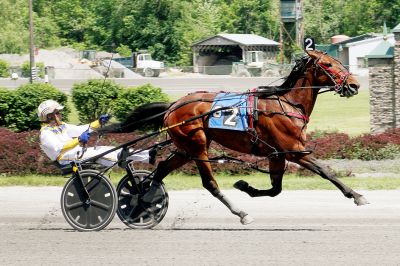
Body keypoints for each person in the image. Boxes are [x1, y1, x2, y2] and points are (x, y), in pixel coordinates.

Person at [38, 99, 154, 168]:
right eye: (57, 112)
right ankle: (121, 161)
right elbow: (59, 149)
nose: (60, 114)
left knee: (113, 149)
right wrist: (78, 140)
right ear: (49, 116)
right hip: (65, 158)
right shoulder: (45, 134)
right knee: (105, 153)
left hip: (76, 153)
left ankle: (148, 155)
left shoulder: (62, 126)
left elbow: (81, 129)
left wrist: (98, 122)